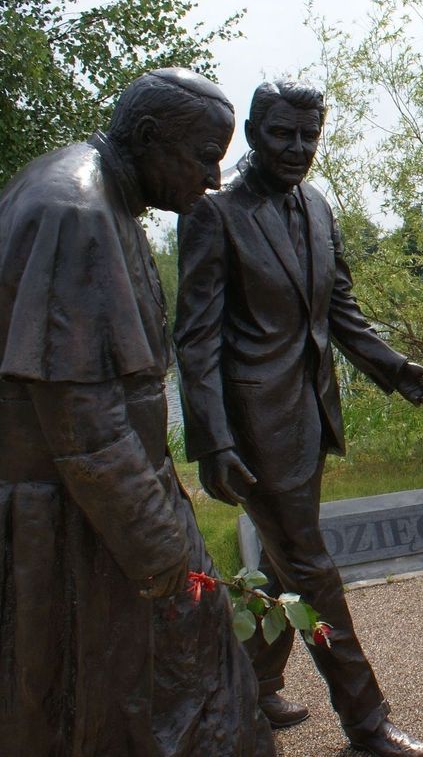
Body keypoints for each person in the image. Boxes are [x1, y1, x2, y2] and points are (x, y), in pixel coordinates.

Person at [0, 69, 273, 755]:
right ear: (149, 139)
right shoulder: (76, 212)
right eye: (202, 156)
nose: (214, 179)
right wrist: (169, 565)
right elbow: (89, 433)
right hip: (73, 529)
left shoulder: (102, 202)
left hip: (100, 511)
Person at [175, 80, 423, 757]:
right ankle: (366, 720)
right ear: (254, 135)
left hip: (311, 416)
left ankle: (254, 685)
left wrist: (394, 368)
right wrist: (212, 438)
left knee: (282, 563)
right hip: (254, 429)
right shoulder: (215, 214)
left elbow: (339, 311)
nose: (297, 149)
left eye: (308, 136)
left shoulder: (317, 208)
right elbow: (197, 339)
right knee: (311, 568)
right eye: (281, 135)